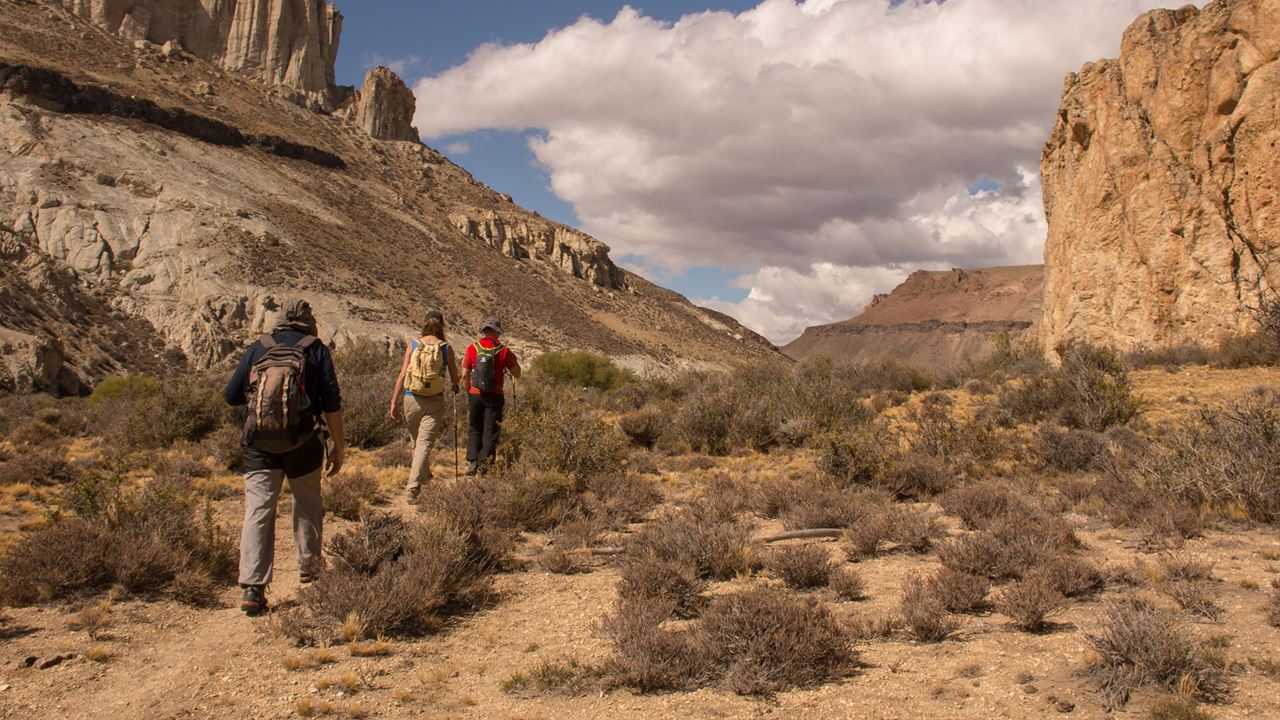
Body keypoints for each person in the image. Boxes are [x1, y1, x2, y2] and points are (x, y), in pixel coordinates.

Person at [224, 298, 345, 616]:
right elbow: (332, 402)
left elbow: (231, 395)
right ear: (308, 322)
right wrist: (338, 447)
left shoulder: (258, 348)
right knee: (307, 503)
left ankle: (253, 586)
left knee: (259, 510)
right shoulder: (316, 349)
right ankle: (310, 568)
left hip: (259, 443)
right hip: (304, 442)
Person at [389, 310, 461, 501]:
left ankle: (422, 477)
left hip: (411, 398)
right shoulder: (445, 348)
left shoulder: (414, 345)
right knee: (423, 443)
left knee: (417, 442)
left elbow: (403, 374)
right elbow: (455, 378)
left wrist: (394, 401)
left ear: (424, 324)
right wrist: (455, 383)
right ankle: (414, 486)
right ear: (442, 326)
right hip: (434, 400)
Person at [461, 316, 520, 475]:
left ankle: (472, 462)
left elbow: (465, 374)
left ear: (484, 331)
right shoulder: (504, 350)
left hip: (475, 394)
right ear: (497, 332)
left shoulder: (473, 348)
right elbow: (517, 373)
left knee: (474, 427)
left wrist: (469, 392)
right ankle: (484, 465)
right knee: (491, 430)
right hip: (494, 395)